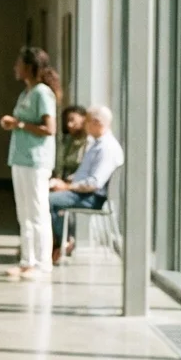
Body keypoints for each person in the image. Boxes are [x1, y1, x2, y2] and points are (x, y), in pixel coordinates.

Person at [0, 47, 59, 280]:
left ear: (30, 67)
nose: (16, 67)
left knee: (37, 212)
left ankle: (43, 263)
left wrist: (19, 125)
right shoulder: (26, 92)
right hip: (20, 159)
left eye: (19, 63)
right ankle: (27, 261)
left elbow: (49, 129)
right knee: (23, 213)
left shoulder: (43, 93)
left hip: (36, 161)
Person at [49, 105, 125, 263]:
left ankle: (64, 242)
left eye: (87, 121)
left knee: (48, 201)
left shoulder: (107, 148)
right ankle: (61, 241)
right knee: (50, 195)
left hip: (91, 197)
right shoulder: (97, 144)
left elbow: (94, 183)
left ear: (97, 123)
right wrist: (65, 182)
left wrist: (66, 187)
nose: (84, 125)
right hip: (82, 192)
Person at [53, 104, 88, 186]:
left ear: (83, 119)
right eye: (67, 121)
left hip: (79, 184)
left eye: (72, 120)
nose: (69, 125)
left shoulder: (89, 142)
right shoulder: (68, 140)